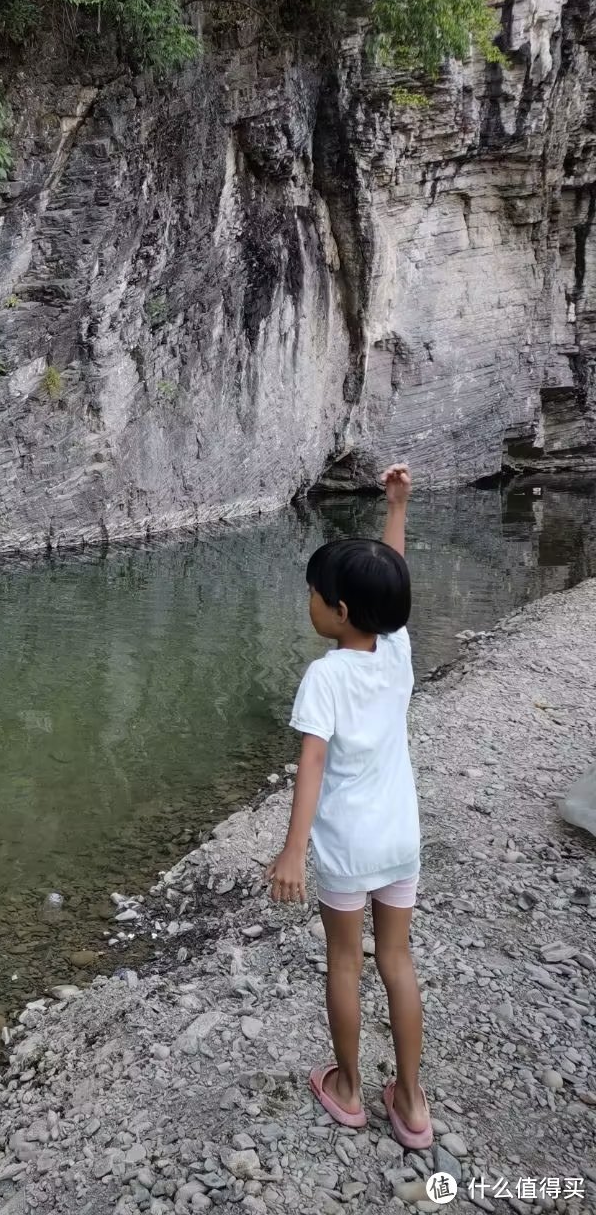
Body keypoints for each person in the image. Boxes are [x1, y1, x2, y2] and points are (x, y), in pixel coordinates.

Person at [266, 464, 431, 1149]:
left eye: (315, 594)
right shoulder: (396, 651)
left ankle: (350, 1088)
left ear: (338, 612)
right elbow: (389, 582)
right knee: (397, 961)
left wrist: (292, 850)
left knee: (344, 962)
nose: (310, 600)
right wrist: (396, 508)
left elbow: (312, 763)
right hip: (401, 840)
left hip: (344, 848)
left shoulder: (326, 675)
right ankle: (414, 1103)